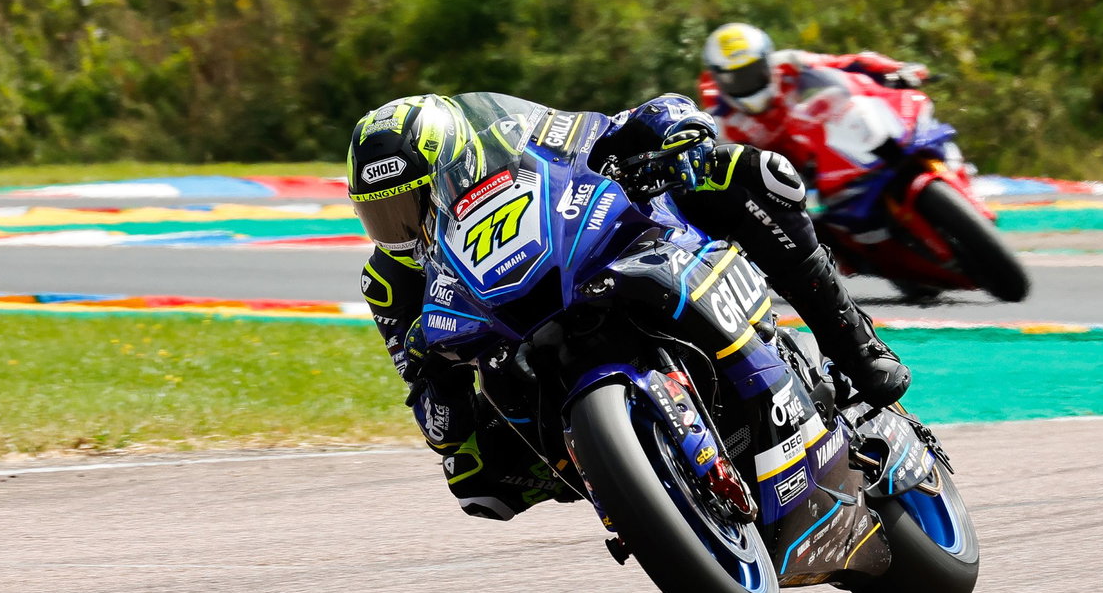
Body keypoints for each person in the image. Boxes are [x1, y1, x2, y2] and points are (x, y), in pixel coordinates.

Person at [347, 92, 910, 520]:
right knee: (474, 477)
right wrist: (436, 378)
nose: (397, 229)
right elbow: (427, 402)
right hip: (514, 346)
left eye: (408, 204)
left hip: (609, 252)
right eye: (380, 215)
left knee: (751, 174)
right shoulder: (388, 282)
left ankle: (854, 346)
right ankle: (626, 482)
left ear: (455, 168)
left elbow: (609, 128)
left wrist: (667, 131)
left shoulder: (516, 137)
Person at [696, 22, 930, 165]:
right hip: (790, 186)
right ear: (717, 78)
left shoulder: (788, 64)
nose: (747, 83)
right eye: (735, 77)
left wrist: (895, 69)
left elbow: (845, 63)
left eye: (753, 71)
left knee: (835, 98)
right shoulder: (718, 123)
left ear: (767, 61)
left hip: (832, 151)